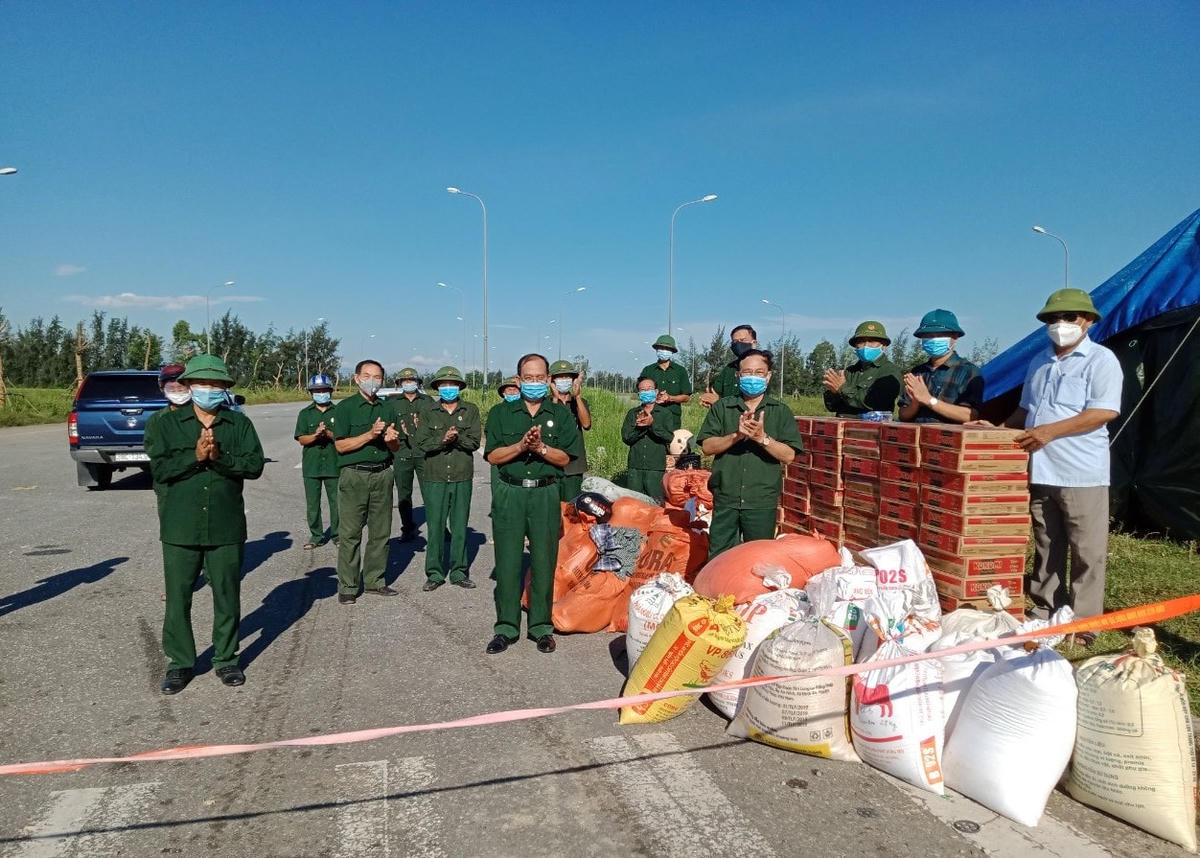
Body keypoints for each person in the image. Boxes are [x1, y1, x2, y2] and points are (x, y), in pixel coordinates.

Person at [973, 289, 1122, 634]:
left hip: (1081, 470)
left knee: (1086, 550)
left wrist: (1049, 432)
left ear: (1087, 321)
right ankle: (1045, 608)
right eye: (1054, 319)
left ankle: (1084, 623)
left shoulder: (1101, 360)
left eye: (1069, 318)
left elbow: (1104, 411)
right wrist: (997, 429)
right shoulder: (1039, 361)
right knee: (1046, 542)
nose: (1061, 325)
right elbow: (1026, 410)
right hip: (1041, 466)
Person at [145, 354, 264, 694]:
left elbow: (254, 465)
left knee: (227, 593)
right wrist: (195, 457)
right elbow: (162, 469)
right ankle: (180, 663)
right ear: (189, 385)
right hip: (180, 524)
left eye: (216, 384)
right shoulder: (163, 425)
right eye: (202, 384)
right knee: (179, 596)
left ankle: (226, 659)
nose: (209, 390)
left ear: (225, 388)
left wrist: (220, 457)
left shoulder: (238, 424)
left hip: (226, 524)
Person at [484, 353, 580, 655]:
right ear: (518, 380)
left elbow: (565, 458)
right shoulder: (501, 414)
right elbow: (493, 456)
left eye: (540, 378)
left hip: (545, 493)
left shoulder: (561, 414)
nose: (535, 383)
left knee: (543, 560)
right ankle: (506, 627)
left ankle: (540, 627)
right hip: (511, 493)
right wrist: (520, 446)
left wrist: (540, 447)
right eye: (529, 378)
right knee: (509, 561)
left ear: (548, 380)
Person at [698, 348, 803, 558]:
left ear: (769, 375)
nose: (752, 377)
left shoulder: (779, 411)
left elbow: (789, 455)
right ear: (738, 375)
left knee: (759, 557)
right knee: (720, 556)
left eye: (759, 372)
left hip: (761, 499)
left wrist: (761, 438)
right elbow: (707, 447)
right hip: (726, 496)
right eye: (747, 372)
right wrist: (736, 435)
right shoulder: (722, 408)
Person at [333, 359, 402, 604]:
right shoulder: (345, 408)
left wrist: (392, 439)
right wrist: (370, 434)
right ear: (356, 379)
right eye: (367, 376)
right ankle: (348, 585)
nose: (372, 381)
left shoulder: (388, 408)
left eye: (377, 377)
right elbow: (341, 445)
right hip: (354, 475)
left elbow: (396, 445)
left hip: (382, 473)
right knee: (350, 532)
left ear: (383, 381)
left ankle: (375, 580)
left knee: (380, 531)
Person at [415, 366, 481, 591]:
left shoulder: (470, 410)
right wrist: (442, 439)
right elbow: (422, 442)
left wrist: (457, 437)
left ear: (460, 387)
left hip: (462, 476)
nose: (448, 388)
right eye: (444, 385)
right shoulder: (428, 411)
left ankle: (459, 571)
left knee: (460, 526)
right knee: (435, 526)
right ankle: (434, 573)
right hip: (435, 476)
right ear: (437, 388)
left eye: (453, 385)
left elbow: (473, 442)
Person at [898, 309, 984, 423]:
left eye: (940, 335)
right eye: (928, 335)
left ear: (955, 336)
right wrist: (915, 403)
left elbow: (970, 416)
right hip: (916, 436)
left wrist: (929, 400)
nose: (933, 339)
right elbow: (903, 415)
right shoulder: (918, 372)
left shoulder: (969, 371)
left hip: (948, 438)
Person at [294, 373, 339, 550]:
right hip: (312, 466)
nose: (321, 393)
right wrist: (315, 436)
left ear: (330, 391)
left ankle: (338, 535)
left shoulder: (338, 412)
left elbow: (343, 437)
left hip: (334, 464)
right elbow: (301, 439)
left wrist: (328, 434)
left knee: (337, 503)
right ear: (311, 393)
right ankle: (316, 535)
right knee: (313, 504)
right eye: (317, 391)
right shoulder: (305, 414)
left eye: (324, 390)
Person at [823, 321, 903, 418]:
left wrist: (842, 388)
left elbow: (875, 403)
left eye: (872, 341)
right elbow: (833, 407)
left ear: (884, 345)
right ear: (855, 345)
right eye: (861, 341)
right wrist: (834, 392)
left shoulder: (889, 371)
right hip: (842, 427)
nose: (866, 345)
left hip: (872, 429)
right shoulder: (849, 371)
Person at [391, 366, 432, 541]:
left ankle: (439, 527)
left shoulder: (428, 401)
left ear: (418, 382)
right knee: (404, 495)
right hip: (402, 454)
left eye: (412, 380)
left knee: (431, 492)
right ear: (400, 383)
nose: (409, 383)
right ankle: (407, 528)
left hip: (424, 454)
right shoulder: (392, 404)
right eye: (405, 381)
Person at [622, 376, 675, 503]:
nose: (646, 392)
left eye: (649, 389)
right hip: (635, 467)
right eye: (643, 390)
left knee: (656, 503)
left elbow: (668, 437)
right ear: (639, 393)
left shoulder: (665, 414)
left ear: (656, 392)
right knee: (634, 504)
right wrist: (640, 428)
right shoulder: (632, 413)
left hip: (655, 467)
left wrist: (652, 425)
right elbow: (626, 438)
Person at [549, 359, 591, 502]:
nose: (564, 380)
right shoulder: (545, 404)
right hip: (551, 465)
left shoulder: (579, 403)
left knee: (571, 510)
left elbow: (586, 424)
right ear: (552, 381)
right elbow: (550, 427)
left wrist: (577, 395)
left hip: (574, 466)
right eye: (560, 377)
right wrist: (555, 398)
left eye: (567, 377)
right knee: (551, 510)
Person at [639, 335, 692, 430]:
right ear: (656, 349)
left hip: (673, 420)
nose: (663, 350)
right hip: (650, 417)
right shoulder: (648, 370)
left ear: (672, 351)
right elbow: (641, 394)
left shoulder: (680, 371)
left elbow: (686, 397)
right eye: (661, 347)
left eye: (666, 348)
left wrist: (670, 398)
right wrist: (655, 397)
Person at [699, 324, 758, 408]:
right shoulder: (729, 369)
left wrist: (719, 401)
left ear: (754, 343)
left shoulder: (762, 368)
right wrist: (708, 399)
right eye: (735, 341)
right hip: (727, 419)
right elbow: (715, 393)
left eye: (742, 340)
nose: (738, 344)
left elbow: (754, 402)